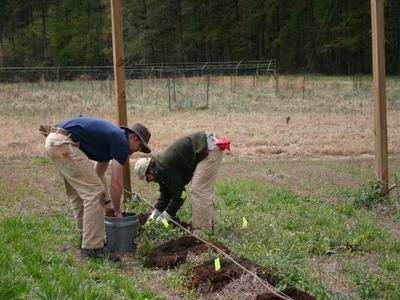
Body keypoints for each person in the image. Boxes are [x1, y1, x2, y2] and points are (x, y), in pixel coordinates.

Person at [44, 116, 151, 261]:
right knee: (94, 194)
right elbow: (116, 183)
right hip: (64, 143)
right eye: (139, 147)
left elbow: (98, 173)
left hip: (55, 140)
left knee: (80, 193)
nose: (136, 151)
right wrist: (118, 212)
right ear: (133, 137)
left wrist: (107, 202)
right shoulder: (121, 141)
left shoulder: (110, 139)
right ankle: (92, 248)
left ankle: (86, 236)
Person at [133, 132, 226, 234]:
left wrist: (165, 217)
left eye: (147, 178)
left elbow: (180, 194)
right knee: (198, 189)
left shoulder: (164, 167)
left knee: (199, 190)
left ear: (150, 170)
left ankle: (202, 231)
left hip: (209, 148)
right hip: (206, 147)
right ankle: (205, 224)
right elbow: (166, 195)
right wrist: (153, 216)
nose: (149, 181)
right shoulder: (160, 169)